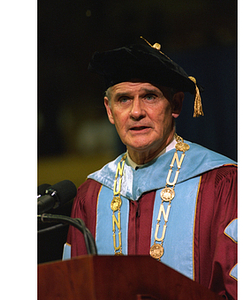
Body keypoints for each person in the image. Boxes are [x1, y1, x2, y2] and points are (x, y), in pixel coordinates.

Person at [63, 38, 237, 300]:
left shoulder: (221, 184)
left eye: (150, 96)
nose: (136, 112)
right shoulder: (92, 195)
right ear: (110, 111)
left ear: (176, 104)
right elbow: (73, 289)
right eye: (123, 99)